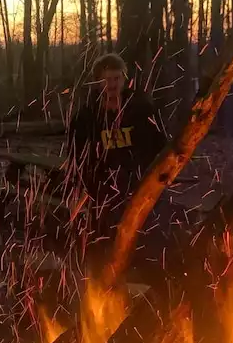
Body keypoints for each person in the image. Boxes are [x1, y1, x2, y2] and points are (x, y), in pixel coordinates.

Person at [65, 52, 168, 282]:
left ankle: (144, 278)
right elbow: (76, 155)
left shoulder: (141, 109)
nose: (111, 85)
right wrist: (85, 187)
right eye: (106, 80)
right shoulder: (88, 116)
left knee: (145, 234)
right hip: (103, 190)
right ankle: (107, 282)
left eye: (116, 79)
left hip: (139, 186)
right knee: (104, 239)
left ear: (124, 79)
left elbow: (160, 145)